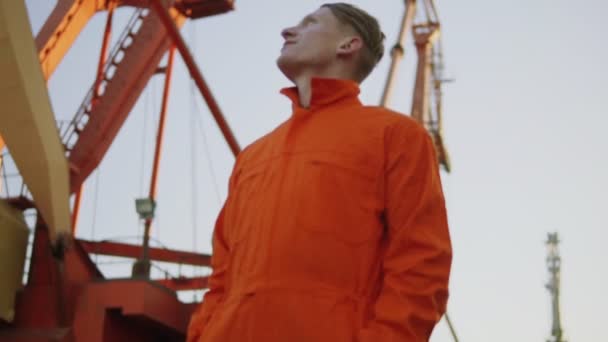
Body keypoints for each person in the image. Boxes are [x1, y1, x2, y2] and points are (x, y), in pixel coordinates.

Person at [187, 3, 452, 341]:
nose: (287, 31)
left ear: (348, 45)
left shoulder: (397, 136)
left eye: (309, 23)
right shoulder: (252, 157)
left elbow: (421, 265)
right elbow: (221, 277)